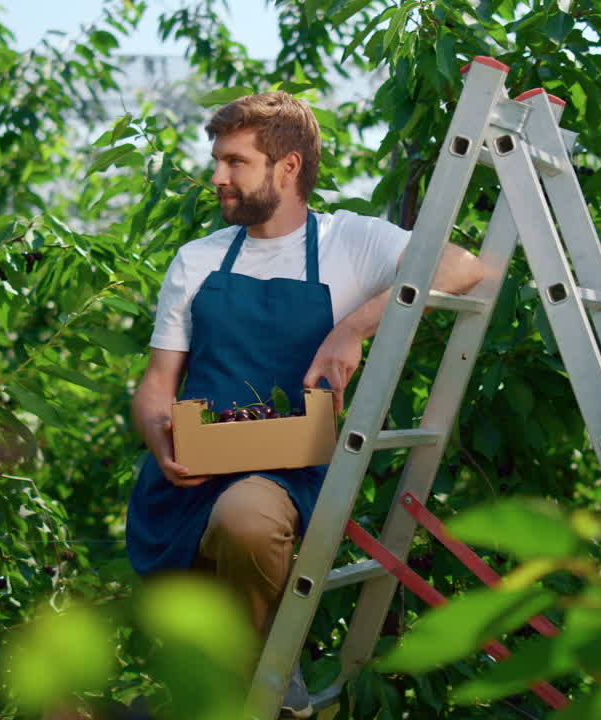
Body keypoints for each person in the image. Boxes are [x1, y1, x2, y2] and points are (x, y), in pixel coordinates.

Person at [124, 91, 486, 718]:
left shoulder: (348, 241)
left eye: (235, 162)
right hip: (188, 473)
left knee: (246, 521)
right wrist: (161, 438)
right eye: (217, 160)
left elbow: (462, 266)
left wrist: (353, 328)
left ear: (287, 167)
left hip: (284, 471)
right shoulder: (198, 260)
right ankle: (268, 687)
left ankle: (256, 690)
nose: (217, 177)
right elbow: (158, 383)